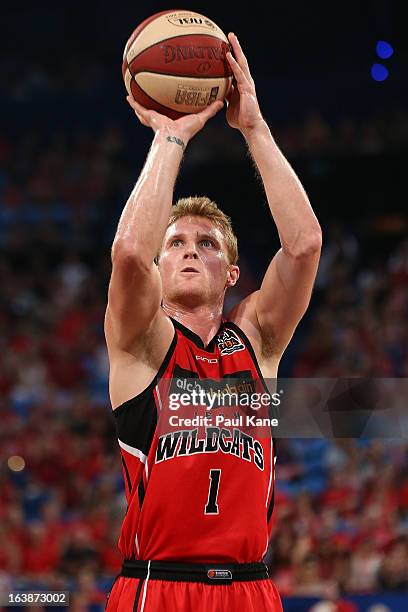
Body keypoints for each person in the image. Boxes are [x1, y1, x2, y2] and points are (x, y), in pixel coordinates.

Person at [104, 32, 322, 611]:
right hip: (157, 584)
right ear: (160, 265)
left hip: (252, 587)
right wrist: (171, 136)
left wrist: (253, 126)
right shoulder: (143, 344)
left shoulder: (257, 340)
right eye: (175, 243)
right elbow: (128, 252)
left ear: (231, 273)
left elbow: (303, 246)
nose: (191, 249)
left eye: (208, 243)